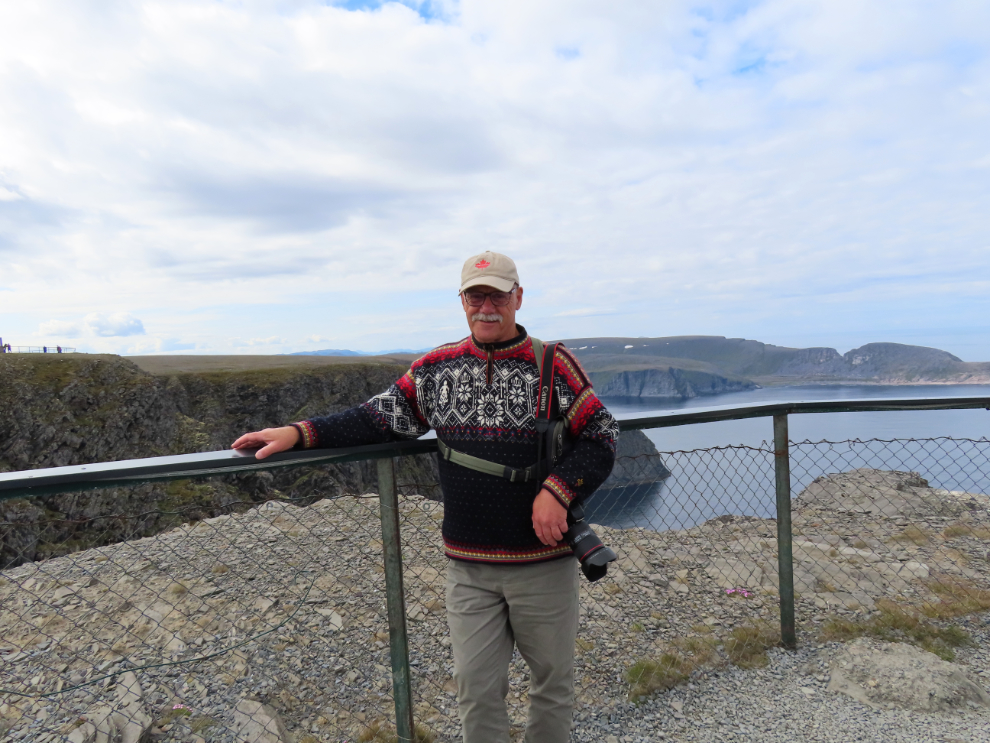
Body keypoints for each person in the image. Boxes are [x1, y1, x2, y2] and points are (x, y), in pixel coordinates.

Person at [232, 251, 618, 743]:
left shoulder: (553, 365)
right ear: (462, 302)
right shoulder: (436, 368)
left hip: (542, 562)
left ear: (518, 297)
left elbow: (602, 434)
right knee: (476, 690)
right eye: (476, 296)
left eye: (498, 295)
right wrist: (297, 433)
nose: (487, 307)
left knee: (552, 686)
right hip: (469, 568)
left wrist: (557, 490)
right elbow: (375, 418)